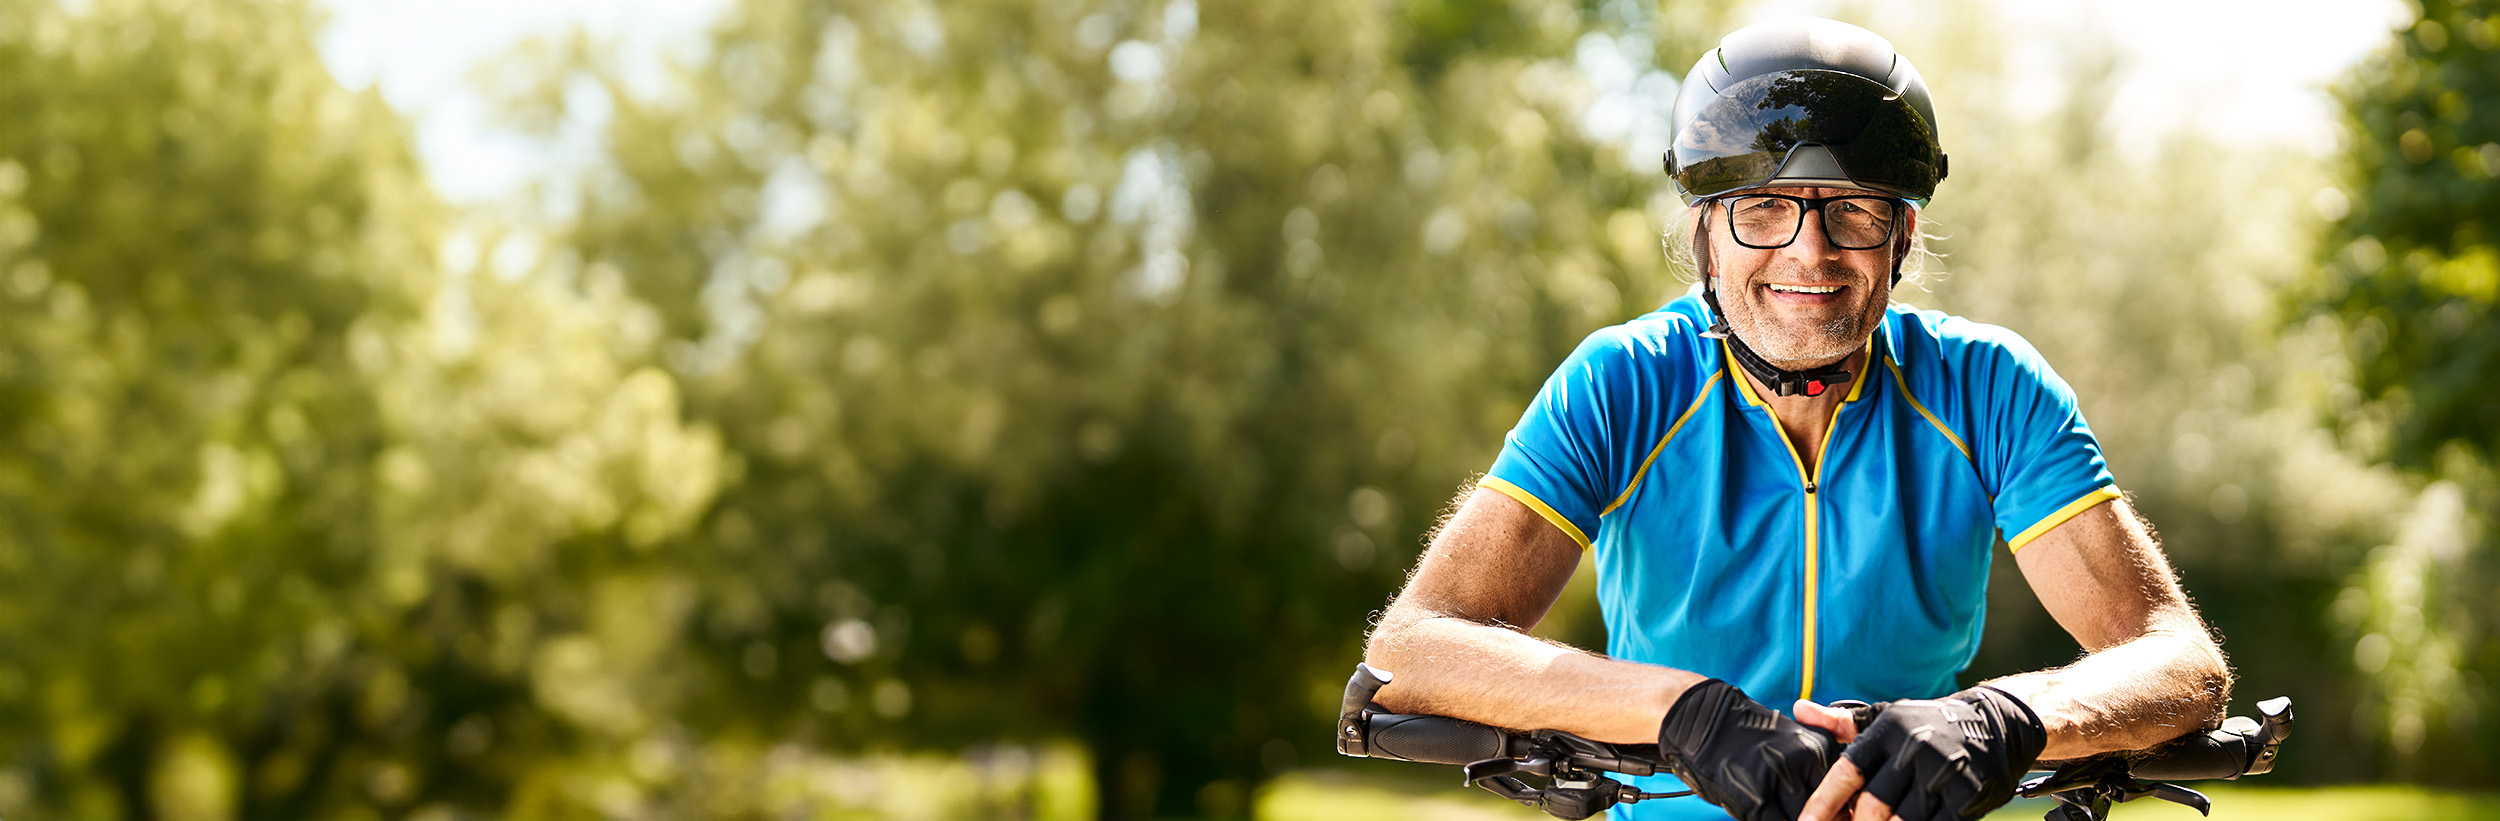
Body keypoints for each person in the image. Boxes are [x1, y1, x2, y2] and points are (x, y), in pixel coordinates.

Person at [1361, 17, 2232, 821]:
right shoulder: (1623, 382)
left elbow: (2180, 660)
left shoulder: (1989, 387)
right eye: (1764, 207)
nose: (1809, 250)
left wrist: (1999, 717)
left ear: (1902, 235)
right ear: (1706, 232)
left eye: (1852, 208)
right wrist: (1684, 714)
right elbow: (1417, 645)